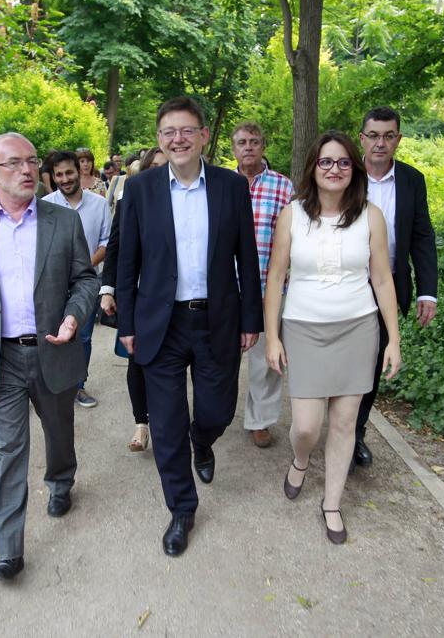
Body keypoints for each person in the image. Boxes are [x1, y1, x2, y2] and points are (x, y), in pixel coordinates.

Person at [0, 132, 98, 581]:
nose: (27, 170)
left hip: (52, 349)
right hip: (0, 358)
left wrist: (72, 317)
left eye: (31, 161)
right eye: (14, 163)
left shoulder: (61, 222)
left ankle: (61, 480)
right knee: (7, 451)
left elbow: (85, 280)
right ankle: (9, 549)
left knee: (59, 430)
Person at [116, 96, 263, 557]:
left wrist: (251, 318)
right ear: (159, 140)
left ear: (203, 137)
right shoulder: (141, 190)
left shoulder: (230, 187)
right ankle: (181, 508)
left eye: (186, 131)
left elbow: (246, 257)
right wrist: (126, 320)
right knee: (166, 421)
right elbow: (127, 260)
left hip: (217, 317)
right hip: (161, 323)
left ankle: (204, 442)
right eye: (168, 133)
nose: (177, 140)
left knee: (217, 411)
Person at [265, 130, 401, 545]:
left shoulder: (370, 216)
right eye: (326, 161)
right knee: (307, 426)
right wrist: (273, 336)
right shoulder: (292, 215)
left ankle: (332, 504)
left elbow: (381, 278)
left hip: (358, 329)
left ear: (353, 169)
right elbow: (274, 278)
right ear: (313, 168)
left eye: (343, 162)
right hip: (304, 330)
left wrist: (393, 338)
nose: (334, 169)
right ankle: (302, 459)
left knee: (344, 423)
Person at [352, 107, 437, 471]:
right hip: (347, 285)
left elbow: (422, 236)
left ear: (398, 139)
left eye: (388, 136)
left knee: (372, 367)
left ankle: (354, 434)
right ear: (362, 139)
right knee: (345, 361)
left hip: (390, 286)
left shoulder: (412, 180)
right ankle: (335, 424)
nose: (380, 143)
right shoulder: (345, 175)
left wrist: (427, 291)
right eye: (373, 135)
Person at [100, 146, 168, 452]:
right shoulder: (129, 201)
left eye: (164, 166)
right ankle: (142, 423)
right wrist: (108, 290)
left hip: (173, 299)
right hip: (138, 295)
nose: (159, 172)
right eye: (153, 166)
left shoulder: (187, 205)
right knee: (137, 359)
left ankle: (167, 421)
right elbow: (115, 247)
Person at [232, 121, 294, 448]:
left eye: (254, 141)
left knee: (265, 359)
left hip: (268, 287)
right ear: (233, 148)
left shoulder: (284, 187)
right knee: (221, 356)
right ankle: (217, 414)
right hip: (226, 286)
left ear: (263, 145)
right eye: (242, 142)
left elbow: (295, 237)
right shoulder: (222, 183)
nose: (248, 147)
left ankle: (260, 420)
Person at [43, 151, 111, 408]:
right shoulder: (45, 205)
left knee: (82, 337)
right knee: (50, 333)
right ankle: (51, 385)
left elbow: (107, 242)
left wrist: (84, 268)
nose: (64, 178)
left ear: (80, 171)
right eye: (58, 174)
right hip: (52, 285)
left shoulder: (99, 204)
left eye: (69, 172)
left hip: (86, 283)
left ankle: (78, 387)